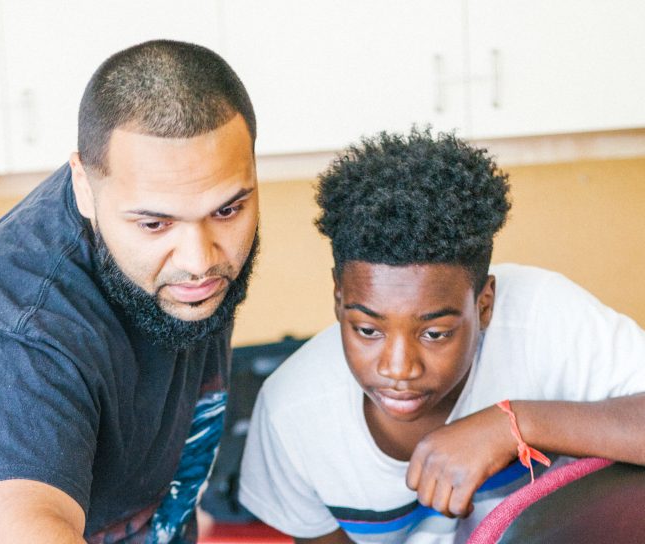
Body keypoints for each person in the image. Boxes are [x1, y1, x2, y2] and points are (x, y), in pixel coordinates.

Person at [0, 40, 260, 544]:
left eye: (227, 210)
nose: (199, 260)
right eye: (155, 224)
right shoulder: (12, 330)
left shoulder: (175, 257)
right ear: (85, 188)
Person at [238, 129, 645, 543]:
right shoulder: (291, 414)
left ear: (484, 305)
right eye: (367, 330)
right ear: (339, 298)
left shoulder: (543, 317)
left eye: (434, 333)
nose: (398, 367)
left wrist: (514, 423)